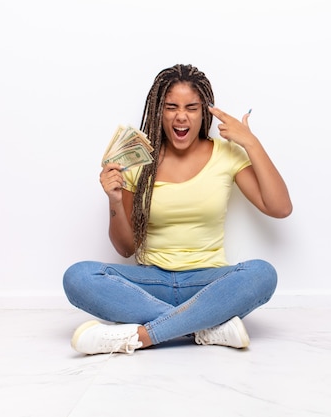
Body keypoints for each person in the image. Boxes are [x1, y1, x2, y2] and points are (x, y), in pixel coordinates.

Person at [63, 64, 292, 355]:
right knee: (77, 277)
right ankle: (204, 326)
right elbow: (125, 248)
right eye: (171, 107)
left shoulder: (226, 154)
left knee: (262, 274)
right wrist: (115, 200)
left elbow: (280, 207)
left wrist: (250, 142)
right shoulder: (140, 161)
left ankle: (145, 335)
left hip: (208, 283)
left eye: (191, 107)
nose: (181, 116)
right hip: (150, 283)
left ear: (204, 112)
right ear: (159, 111)